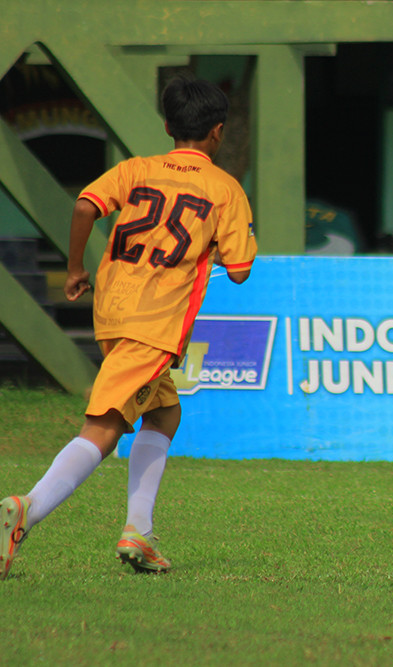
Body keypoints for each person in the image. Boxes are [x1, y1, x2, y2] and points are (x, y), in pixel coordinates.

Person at [1, 77, 257, 580]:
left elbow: (83, 206)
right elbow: (242, 267)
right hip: (156, 323)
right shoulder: (225, 188)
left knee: (164, 414)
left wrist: (76, 269)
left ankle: (138, 531)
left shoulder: (136, 170)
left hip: (113, 312)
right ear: (219, 133)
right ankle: (25, 511)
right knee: (104, 428)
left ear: (167, 127)